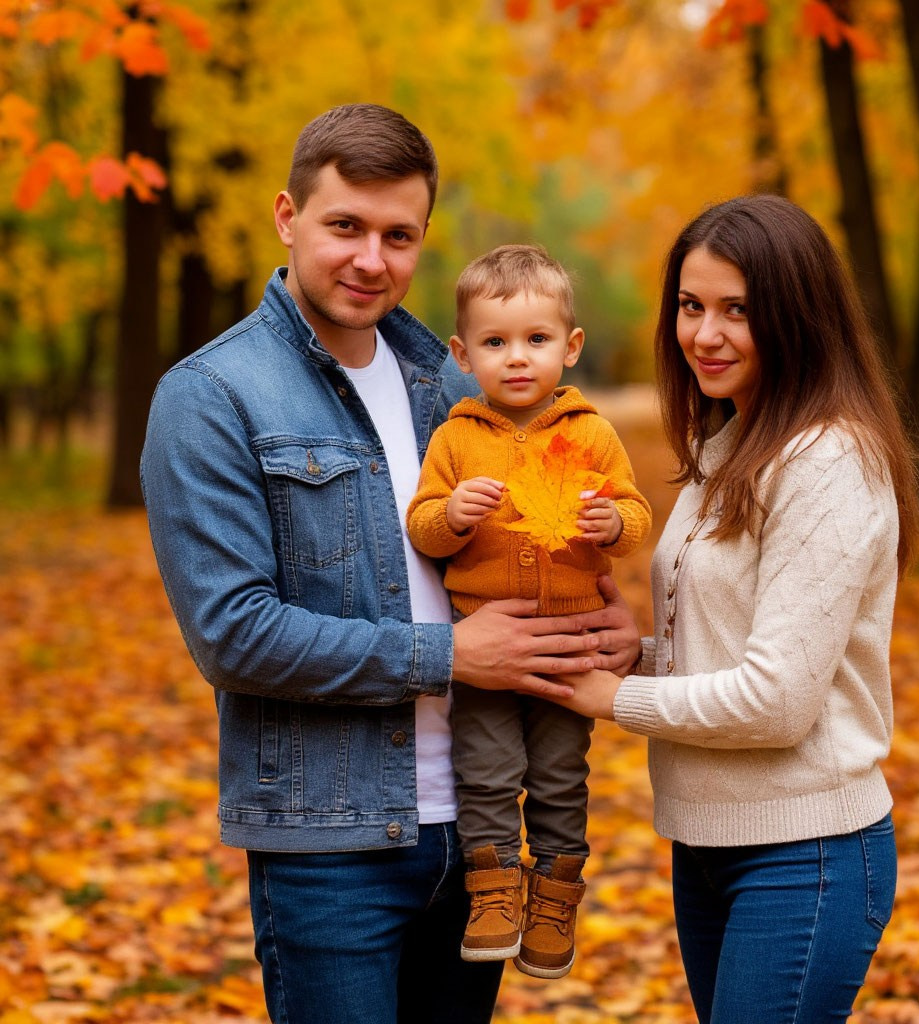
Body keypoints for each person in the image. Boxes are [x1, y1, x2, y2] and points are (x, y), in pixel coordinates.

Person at [139, 104, 637, 1024]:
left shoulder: (455, 385)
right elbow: (232, 635)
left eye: (398, 235)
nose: (373, 259)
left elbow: (541, 542)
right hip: (333, 845)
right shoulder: (211, 397)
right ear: (288, 216)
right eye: (346, 227)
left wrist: (610, 624)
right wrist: (450, 655)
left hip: (483, 833)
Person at [553, 194, 919, 1023]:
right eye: (691, 306)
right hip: (711, 843)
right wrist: (637, 655)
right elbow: (741, 643)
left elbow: (780, 699)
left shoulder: (827, 459)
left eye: (738, 311)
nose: (704, 334)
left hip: (807, 852)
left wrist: (613, 699)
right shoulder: (731, 445)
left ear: (798, 318)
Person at [406, 244, 652, 979]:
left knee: (556, 773)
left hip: (569, 649)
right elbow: (421, 524)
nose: (517, 359)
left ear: (570, 347)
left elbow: (634, 511)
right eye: (495, 342)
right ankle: (492, 892)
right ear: (462, 353)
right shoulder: (455, 439)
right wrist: (450, 514)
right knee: (484, 771)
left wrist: (614, 526)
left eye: (536, 340)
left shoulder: (591, 433)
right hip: (484, 648)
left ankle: (553, 894)